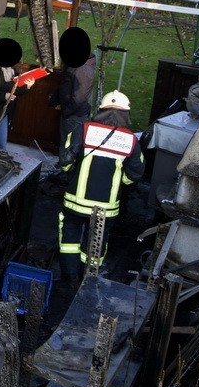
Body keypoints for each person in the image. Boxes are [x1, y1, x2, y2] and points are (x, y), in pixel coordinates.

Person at [57, 90, 145, 285]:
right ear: (125, 114)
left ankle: (69, 277)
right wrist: (118, 181)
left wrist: (73, 171)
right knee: (96, 243)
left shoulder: (83, 129)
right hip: (106, 208)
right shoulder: (131, 140)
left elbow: (65, 162)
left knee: (69, 239)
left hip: (74, 203)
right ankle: (87, 280)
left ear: (101, 110)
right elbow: (134, 174)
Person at [0, 38, 33, 150]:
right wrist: (4, 96)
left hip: (3, 113)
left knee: (1, 144)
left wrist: (28, 86)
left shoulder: (13, 70)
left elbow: (16, 90)